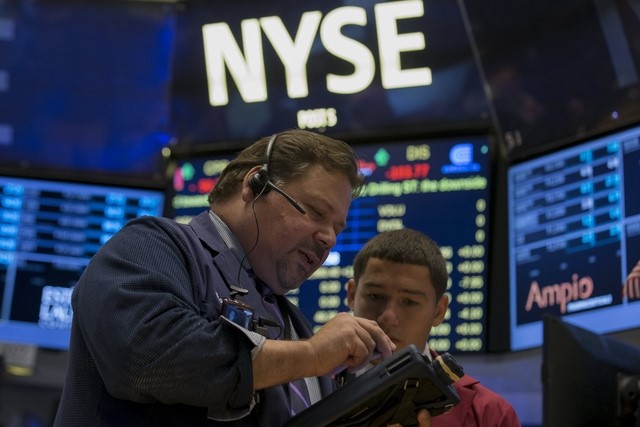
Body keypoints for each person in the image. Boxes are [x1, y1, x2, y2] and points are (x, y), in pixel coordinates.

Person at [53, 129, 405, 427]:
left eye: (337, 228)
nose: (328, 238)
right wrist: (312, 354)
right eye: (315, 212)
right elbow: (148, 358)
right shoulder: (154, 245)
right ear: (255, 184)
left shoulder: (292, 323)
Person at [346, 228, 521, 426]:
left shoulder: (491, 415)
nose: (387, 317)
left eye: (409, 302)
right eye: (375, 296)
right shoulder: (308, 387)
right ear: (352, 295)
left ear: (439, 311)